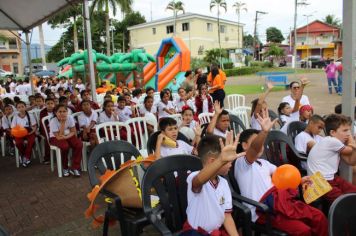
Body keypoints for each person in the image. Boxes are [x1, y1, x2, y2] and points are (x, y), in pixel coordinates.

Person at [234, 109, 328, 236]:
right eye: (257, 141)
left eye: (262, 141)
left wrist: (300, 180)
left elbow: (283, 175)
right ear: (245, 145)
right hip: (262, 210)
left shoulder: (264, 163)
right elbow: (254, 150)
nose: (261, 145)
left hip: (280, 203)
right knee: (303, 230)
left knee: (319, 217)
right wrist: (264, 132)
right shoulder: (242, 163)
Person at [182, 133, 243, 235]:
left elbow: (227, 217)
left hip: (215, 232)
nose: (231, 164)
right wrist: (221, 160)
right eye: (228, 161)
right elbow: (198, 181)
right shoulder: (195, 176)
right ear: (212, 161)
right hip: (195, 232)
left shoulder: (223, 183)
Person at [307, 113, 356, 203]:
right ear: (332, 133)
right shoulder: (331, 141)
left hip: (330, 178)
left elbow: (351, 161)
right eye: (345, 131)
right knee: (343, 202)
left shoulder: (334, 145)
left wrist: (353, 146)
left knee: (353, 191)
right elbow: (349, 150)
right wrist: (352, 142)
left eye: (349, 131)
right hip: (319, 181)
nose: (348, 134)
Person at [49, 104, 83, 177]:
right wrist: (62, 123)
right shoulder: (53, 121)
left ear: (67, 112)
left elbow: (73, 131)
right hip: (55, 138)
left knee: (79, 144)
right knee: (65, 146)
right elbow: (59, 136)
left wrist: (67, 137)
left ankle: (75, 168)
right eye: (60, 111)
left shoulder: (70, 118)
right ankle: (65, 167)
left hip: (67, 135)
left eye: (64, 111)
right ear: (56, 113)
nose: (62, 113)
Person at [11, 101, 37, 167]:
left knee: (31, 141)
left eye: (22, 106)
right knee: (18, 143)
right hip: (18, 132)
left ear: (25, 107)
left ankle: (26, 158)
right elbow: (13, 128)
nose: (21, 108)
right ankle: (23, 155)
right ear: (17, 109)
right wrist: (18, 133)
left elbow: (34, 127)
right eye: (19, 107)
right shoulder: (15, 117)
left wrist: (30, 133)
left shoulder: (30, 115)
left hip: (29, 132)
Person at [39, 98, 56, 164]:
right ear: (45, 104)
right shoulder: (42, 112)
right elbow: (42, 124)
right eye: (48, 104)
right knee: (48, 139)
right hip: (45, 129)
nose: (50, 105)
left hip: (56, 128)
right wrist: (48, 132)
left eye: (51, 103)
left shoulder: (56, 110)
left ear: (54, 104)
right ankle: (47, 158)